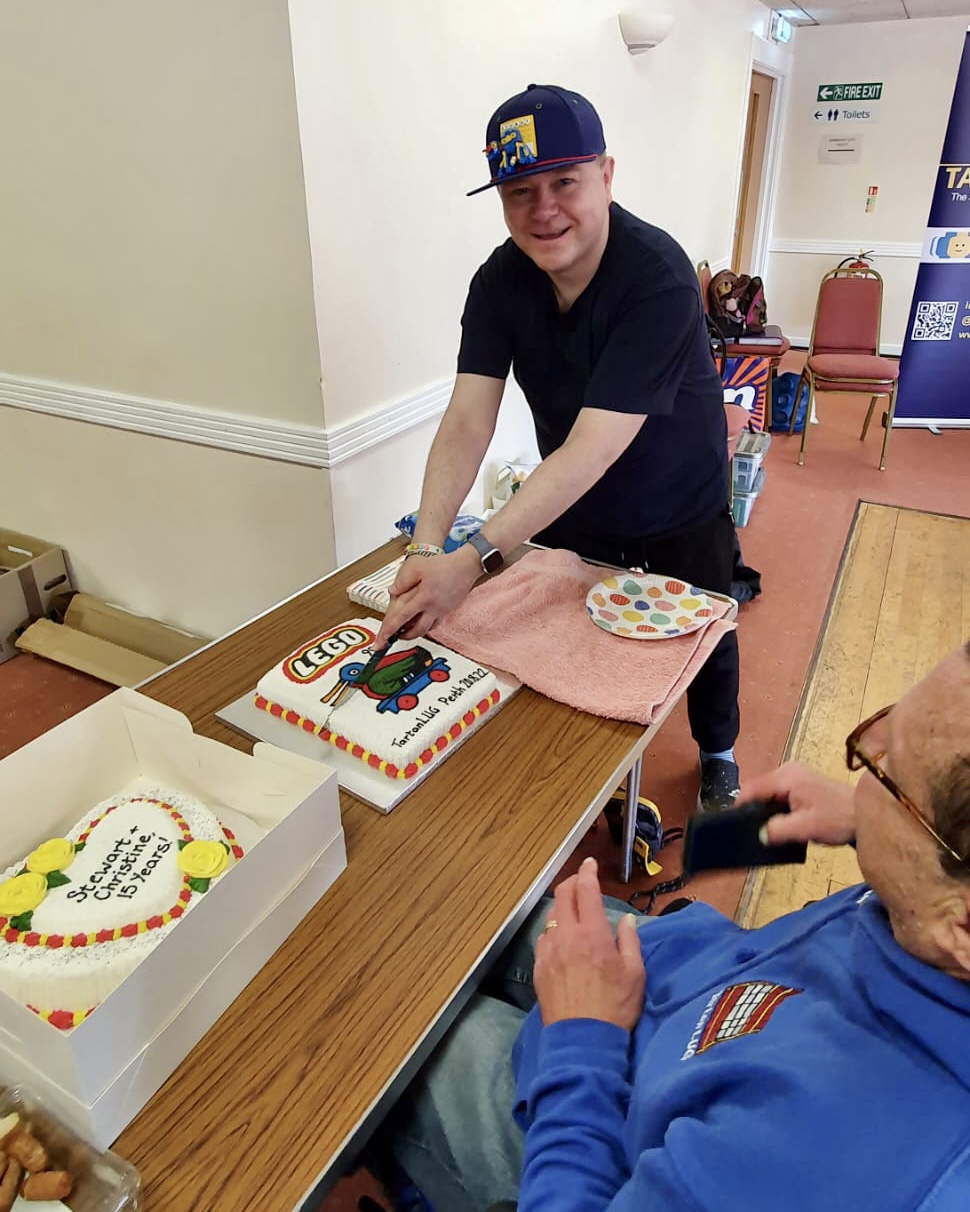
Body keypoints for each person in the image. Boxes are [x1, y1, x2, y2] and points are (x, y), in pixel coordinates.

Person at [371, 640, 970, 1211]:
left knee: (398, 1022)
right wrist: (872, 824)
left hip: (594, 1136)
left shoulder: (840, 1161)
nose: (865, 775)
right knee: (473, 915)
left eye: (888, 776)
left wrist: (583, 1040)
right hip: (692, 995)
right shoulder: (938, 919)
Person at [377, 84, 741, 814]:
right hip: (571, 509)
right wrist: (425, 547)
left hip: (677, 503)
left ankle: (719, 755)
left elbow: (592, 447)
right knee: (572, 649)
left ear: (607, 174)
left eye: (564, 182)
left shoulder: (658, 278)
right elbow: (466, 421)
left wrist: (475, 557)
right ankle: (594, 787)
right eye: (519, 191)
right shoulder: (499, 281)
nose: (543, 210)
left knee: (705, 638)